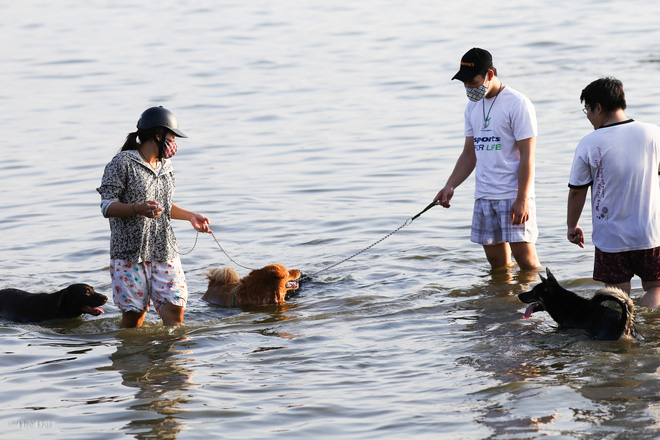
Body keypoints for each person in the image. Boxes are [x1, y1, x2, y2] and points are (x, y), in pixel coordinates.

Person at [97, 106, 212, 328]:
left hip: (164, 250)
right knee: (134, 316)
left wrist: (190, 216)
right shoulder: (122, 163)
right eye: (171, 137)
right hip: (129, 253)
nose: (174, 143)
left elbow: (164, 206)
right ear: (158, 136)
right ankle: (134, 360)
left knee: (175, 309)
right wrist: (136, 208)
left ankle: (171, 360)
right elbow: (107, 205)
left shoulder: (166, 165)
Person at [434, 48, 541, 270]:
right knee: (498, 265)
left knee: (527, 262)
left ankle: (536, 303)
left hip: (512, 194)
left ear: (489, 75)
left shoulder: (518, 103)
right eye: (464, 83)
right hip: (484, 195)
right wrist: (450, 185)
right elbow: (469, 153)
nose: (468, 88)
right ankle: (503, 305)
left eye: (472, 82)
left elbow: (528, 155)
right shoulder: (472, 106)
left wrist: (522, 198)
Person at [567, 77, 660, 310]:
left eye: (587, 110)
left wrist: (572, 226)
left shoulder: (589, 143)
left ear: (598, 107)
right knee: (655, 288)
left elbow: (577, 191)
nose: (588, 116)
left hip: (610, 236)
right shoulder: (653, 133)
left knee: (616, 294)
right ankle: (650, 334)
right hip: (650, 232)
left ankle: (621, 336)